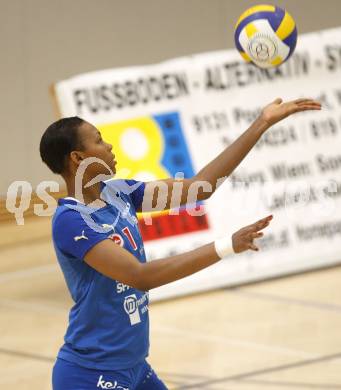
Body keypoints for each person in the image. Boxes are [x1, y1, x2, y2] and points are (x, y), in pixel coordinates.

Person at [39, 97, 321, 390]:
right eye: (99, 141)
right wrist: (226, 245)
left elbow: (204, 186)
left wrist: (261, 123)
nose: (109, 146)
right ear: (77, 158)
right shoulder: (70, 221)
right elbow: (139, 276)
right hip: (90, 374)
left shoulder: (121, 193)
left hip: (135, 366)